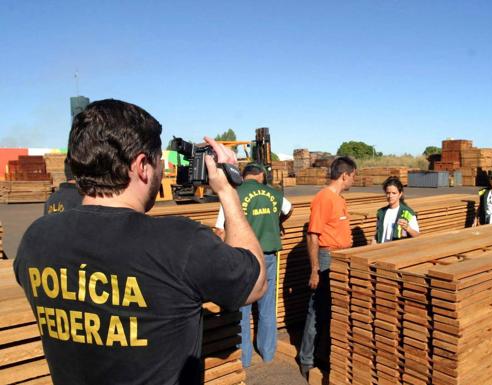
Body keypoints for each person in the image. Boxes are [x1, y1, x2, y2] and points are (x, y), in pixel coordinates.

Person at [13, 99, 267, 385]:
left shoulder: (36, 238)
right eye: (158, 162)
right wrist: (228, 190)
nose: (161, 171)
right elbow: (254, 283)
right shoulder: (179, 242)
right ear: (142, 165)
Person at [214, 163, 293, 368]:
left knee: (243, 310)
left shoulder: (233, 194)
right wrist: (277, 222)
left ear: (245, 175)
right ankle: (267, 353)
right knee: (267, 307)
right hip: (268, 256)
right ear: (260, 175)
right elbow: (288, 208)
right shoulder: (273, 193)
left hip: (242, 258)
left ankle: (245, 359)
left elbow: (219, 228)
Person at [298, 156, 356, 378]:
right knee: (317, 310)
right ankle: (306, 360)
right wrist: (315, 270)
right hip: (326, 259)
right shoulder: (324, 198)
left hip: (340, 258)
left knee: (333, 310)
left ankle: (322, 354)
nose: (353, 180)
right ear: (344, 175)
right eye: (353, 176)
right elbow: (313, 236)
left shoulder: (339, 199)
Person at [373, 176, 419, 243]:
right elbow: (377, 235)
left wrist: (408, 228)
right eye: (388, 193)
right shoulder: (381, 212)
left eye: (394, 193)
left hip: (398, 250)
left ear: (400, 194)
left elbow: (417, 235)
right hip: (382, 250)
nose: (390, 196)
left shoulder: (407, 212)